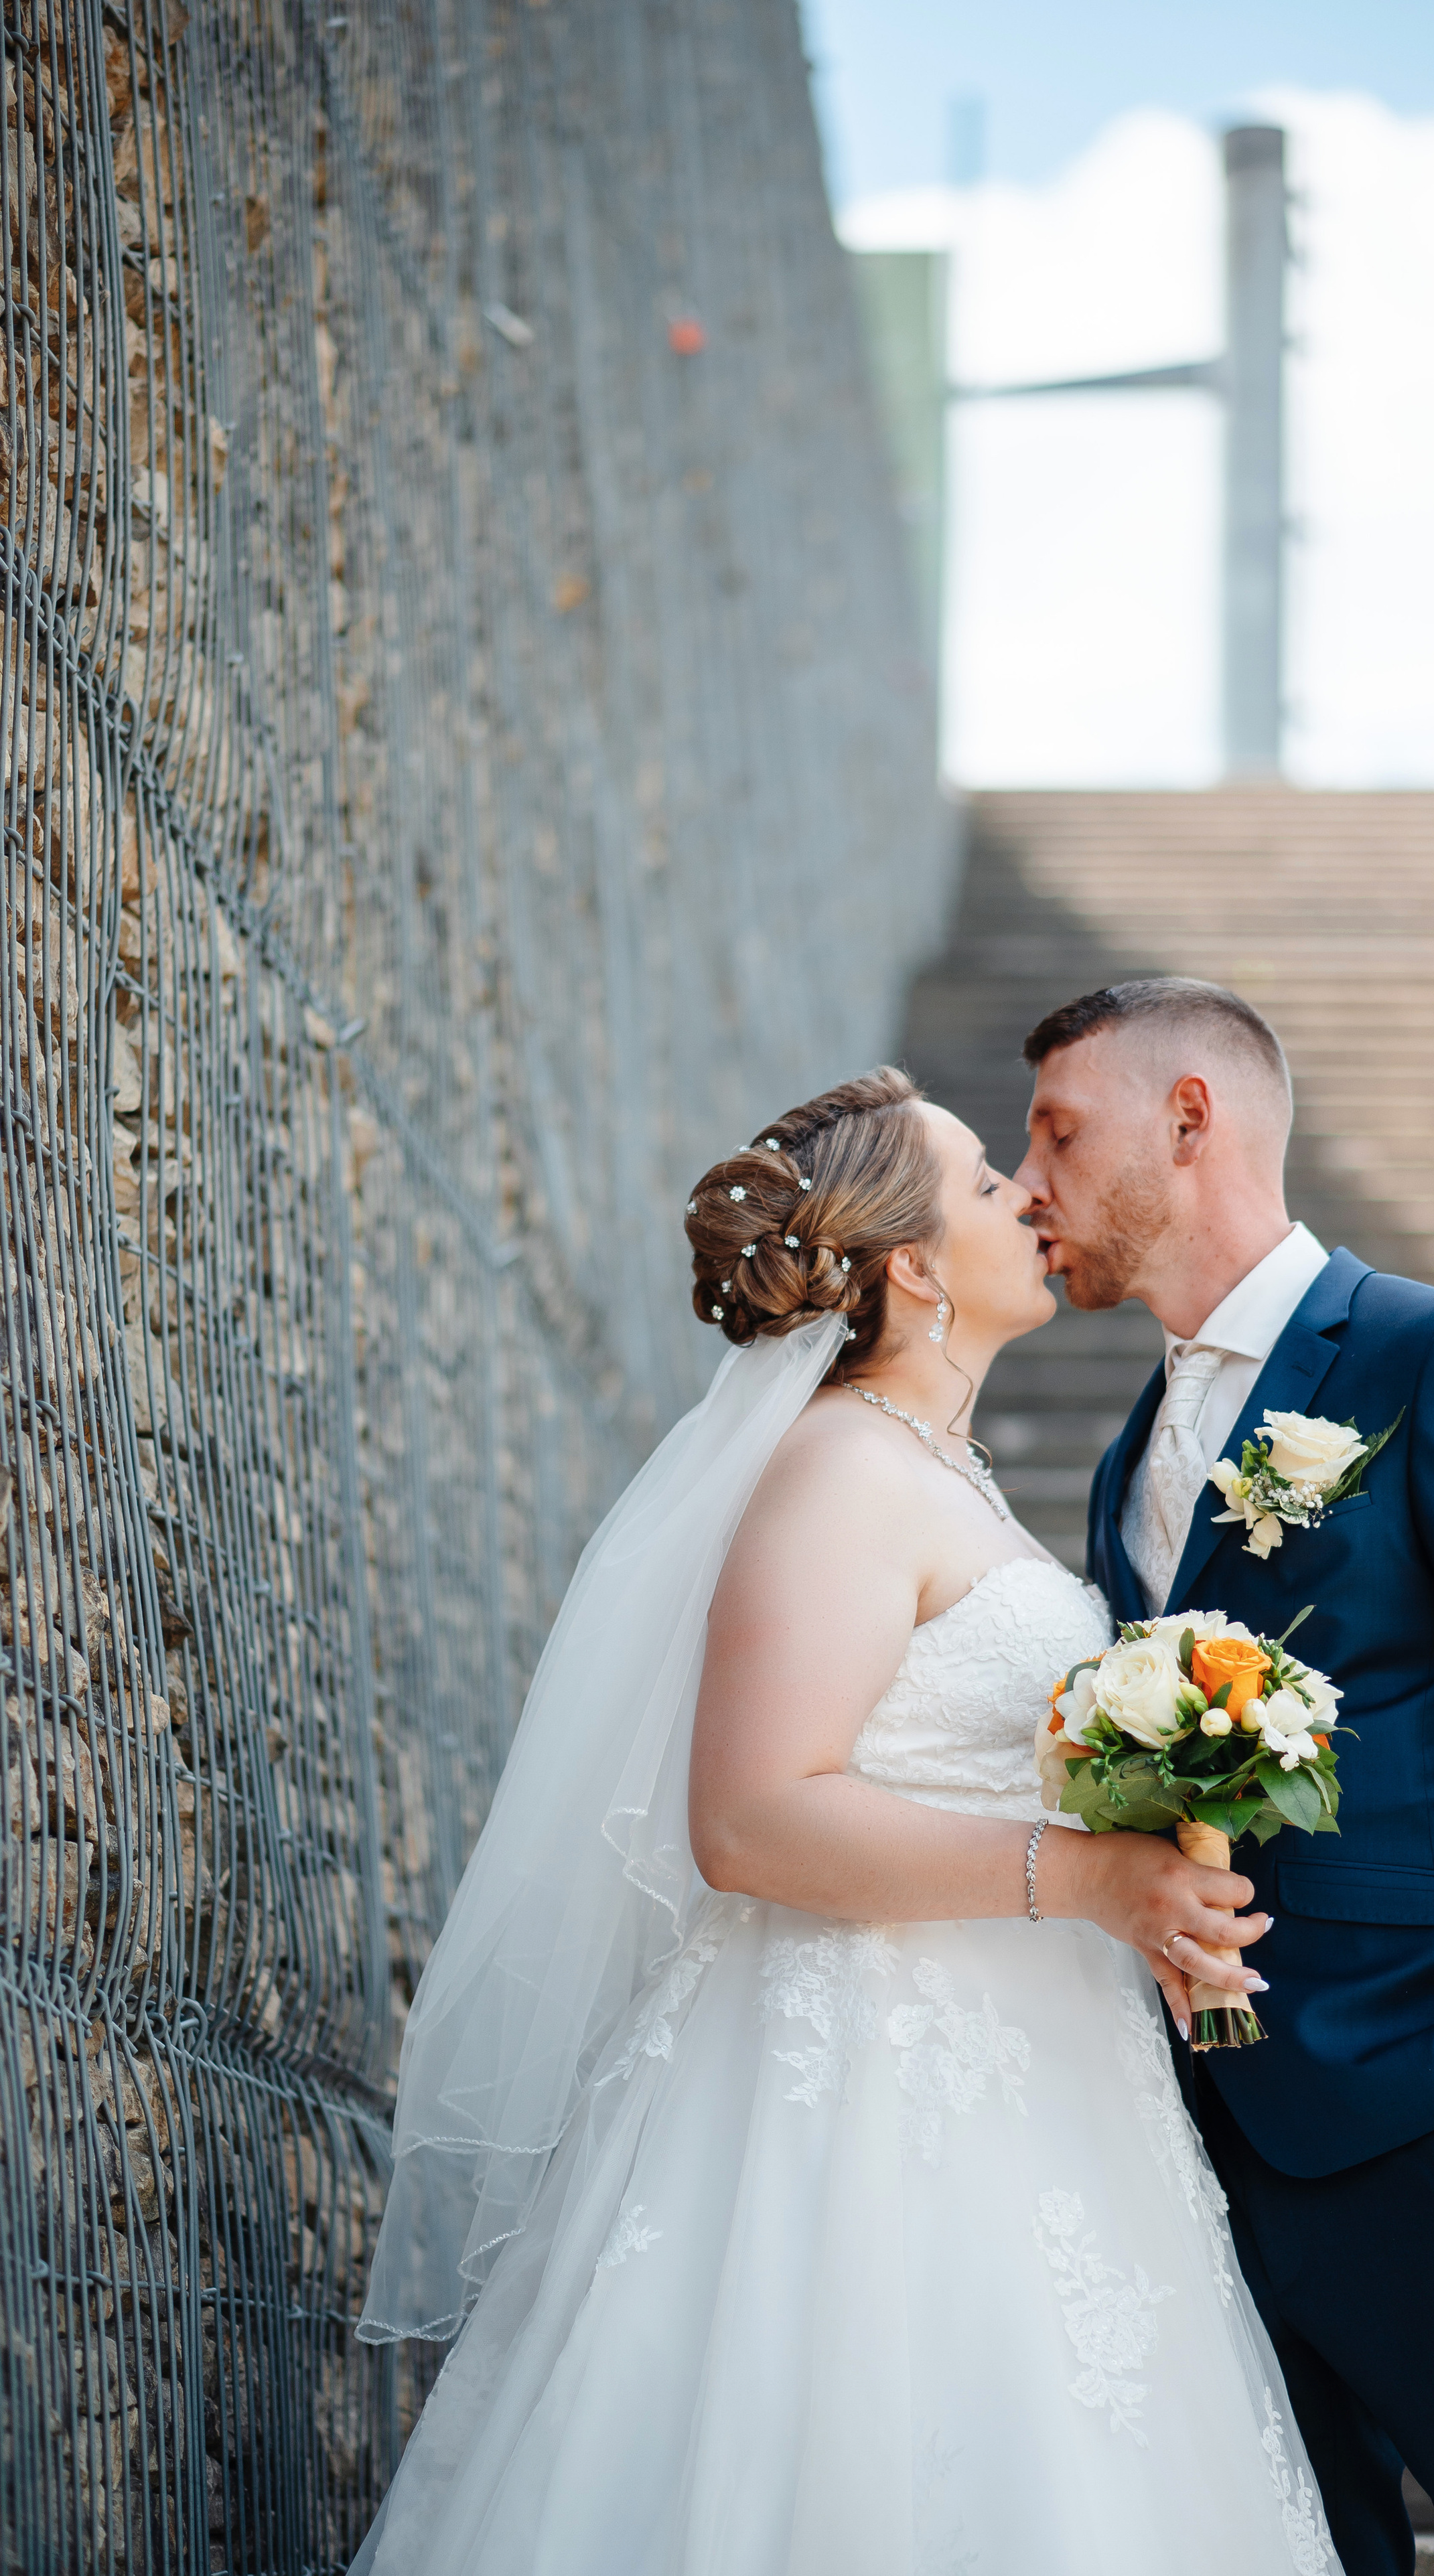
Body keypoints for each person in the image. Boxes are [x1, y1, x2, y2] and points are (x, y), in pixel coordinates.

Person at [351, 1067, 1340, 2576]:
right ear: (915, 1267)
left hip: (1040, 2082)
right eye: (986, 1182)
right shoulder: (836, 1470)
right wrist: (1085, 1877)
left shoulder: (943, 1477)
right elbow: (750, 1818)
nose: (1028, 1191)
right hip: (866, 2096)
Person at [1014, 976, 1434, 2576]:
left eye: (1053, 1130)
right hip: (1205, 2147)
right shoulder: (1130, 1453)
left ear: (1188, 1119)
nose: (1025, 1179)